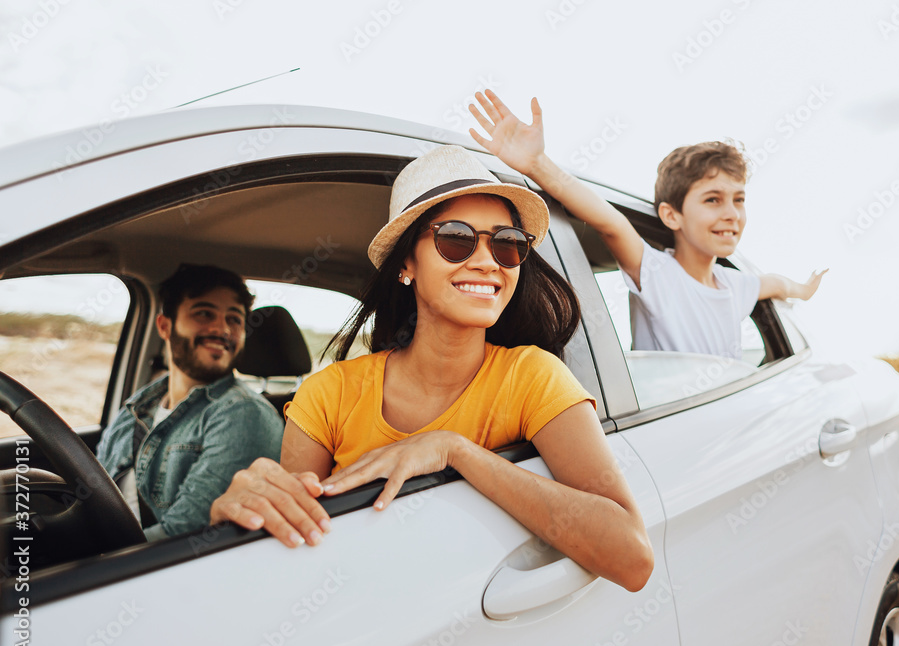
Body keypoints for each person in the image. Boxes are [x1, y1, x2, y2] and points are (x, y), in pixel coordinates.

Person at [210, 145, 654, 592]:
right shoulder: (329, 395)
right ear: (406, 263)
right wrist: (239, 516)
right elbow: (286, 547)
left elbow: (632, 558)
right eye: (457, 239)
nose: (486, 261)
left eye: (507, 243)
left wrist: (455, 451)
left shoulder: (533, 377)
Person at [469, 90, 827, 360]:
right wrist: (537, 164)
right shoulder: (658, 273)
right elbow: (611, 223)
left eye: (739, 199)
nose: (732, 212)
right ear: (672, 216)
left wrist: (804, 290)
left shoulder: (737, 284)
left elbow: (776, 283)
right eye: (713, 199)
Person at [97, 264, 284, 539]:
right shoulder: (138, 405)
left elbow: (182, 538)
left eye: (234, 319)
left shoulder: (242, 414)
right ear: (164, 326)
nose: (221, 329)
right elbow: (92, 486)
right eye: (204, 313)